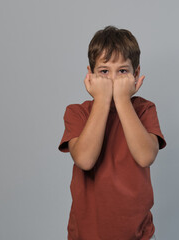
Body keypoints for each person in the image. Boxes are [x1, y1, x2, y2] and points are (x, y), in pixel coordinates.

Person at [58, 25, 166, 240]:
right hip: (87, 234)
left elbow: (146, 156)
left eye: (123, 71)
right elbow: (85, 160)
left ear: (136, 74)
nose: (113, 79)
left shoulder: (144, 110)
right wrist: (102, 100)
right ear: (90, 75)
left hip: (139, 234)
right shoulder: (77, 113)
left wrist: (123, 100)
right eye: (104, 72)